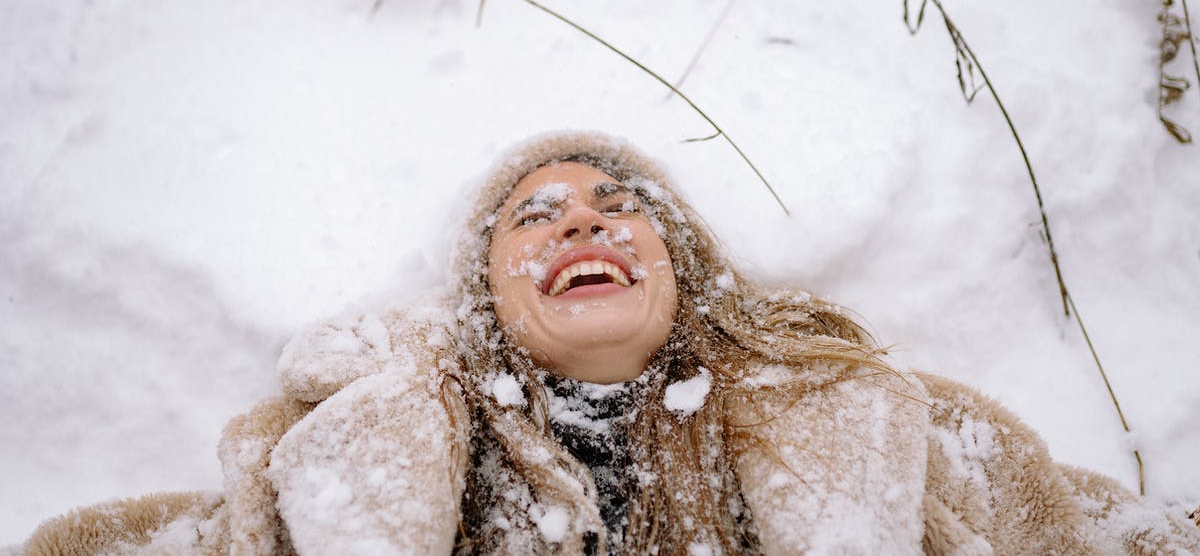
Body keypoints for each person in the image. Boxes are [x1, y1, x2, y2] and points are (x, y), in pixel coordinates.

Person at [21, 132, 1200, 554]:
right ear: (489, 301)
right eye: (531, 219)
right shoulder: (378, 444)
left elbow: (1090, 533)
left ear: (678, 266)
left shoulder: (866, 415)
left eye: (612, 204)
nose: (577, 220)